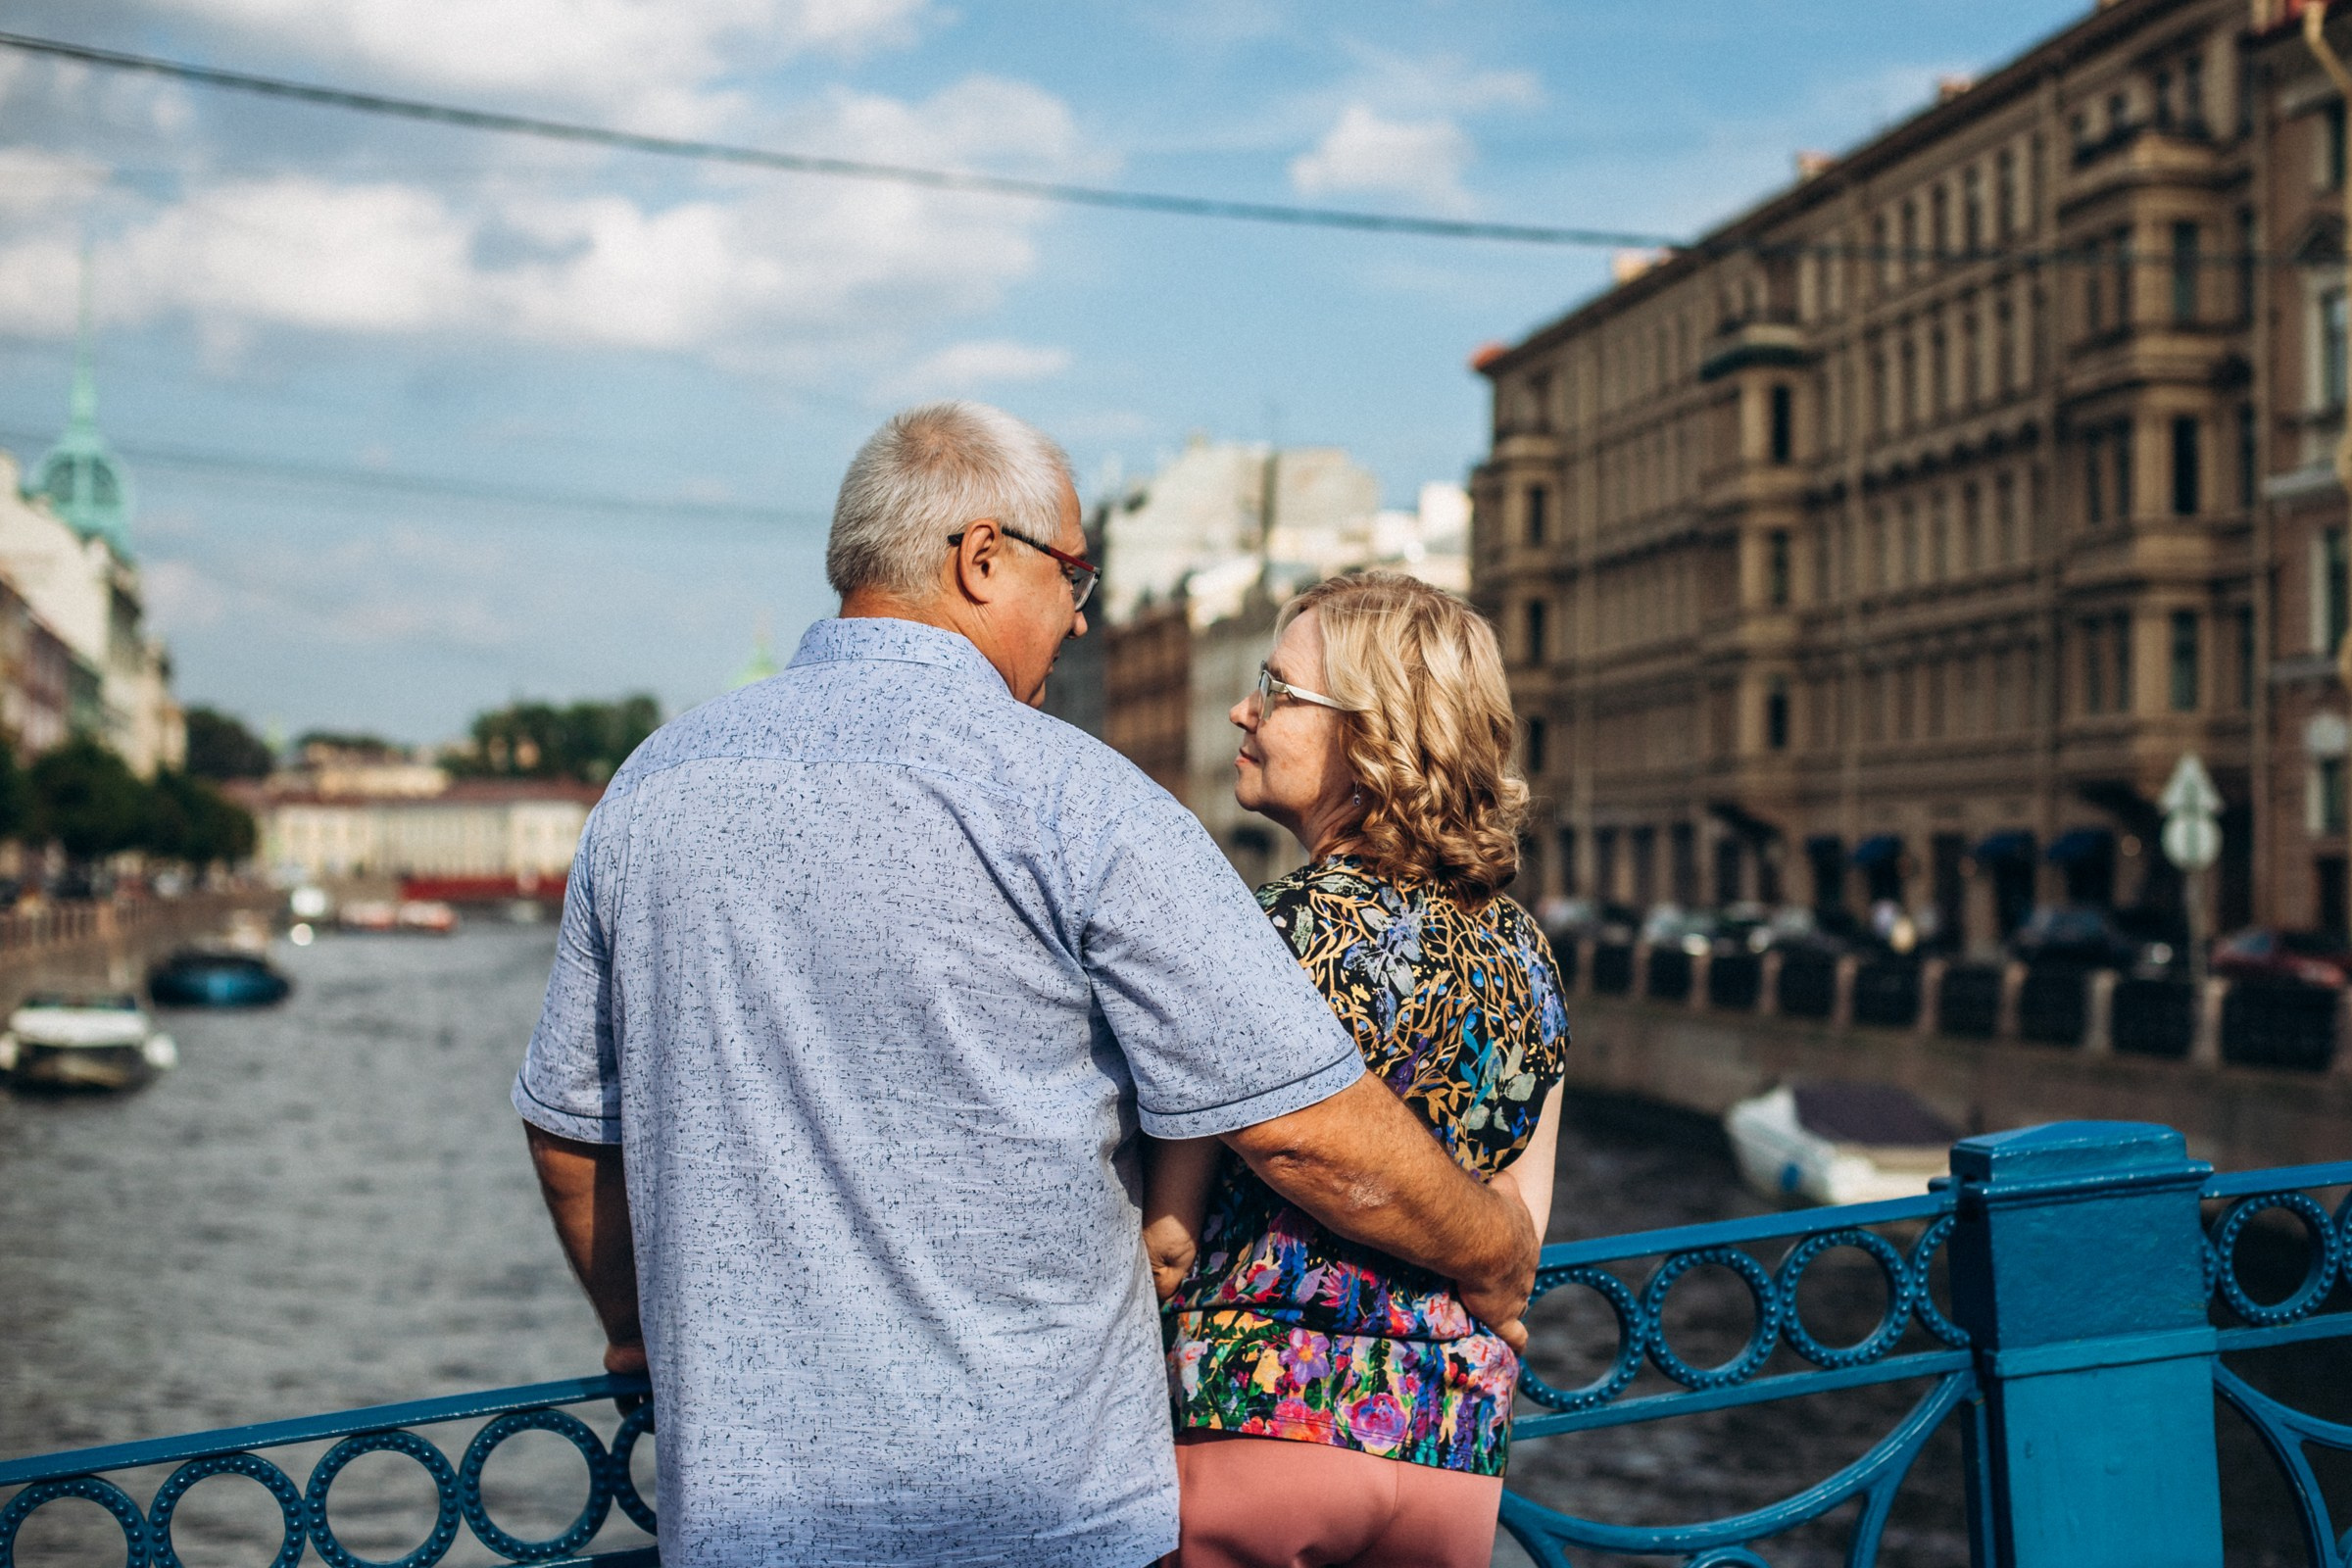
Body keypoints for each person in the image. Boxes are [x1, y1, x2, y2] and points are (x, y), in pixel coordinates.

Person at [513, 403, 1541, 1568]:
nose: (1082, 615)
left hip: (748, 1524)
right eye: (1074, 575)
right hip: (1040, 1519)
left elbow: (571, 1133)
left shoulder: (652, 788)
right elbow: (1302, 1128)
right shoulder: (1083, 802)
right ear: (982, 558)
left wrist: (640, 1336)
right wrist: (1492, 1248)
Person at [1144, 571, 1571, 1568]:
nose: (1244, 710)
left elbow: (1168, 1241)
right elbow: (1518, 1234)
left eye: (1278, 689)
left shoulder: (1263, 933)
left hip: (1257, 1416)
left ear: (1369, 735)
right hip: (1451, 1441)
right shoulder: (1526, 952)